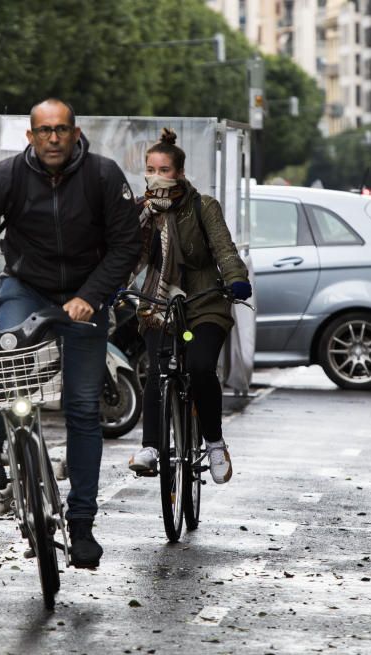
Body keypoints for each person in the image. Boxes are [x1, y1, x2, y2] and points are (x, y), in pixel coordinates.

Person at [0, 98, 140, 568]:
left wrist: (91, 296)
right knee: (2, 363)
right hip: (26, 285)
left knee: (81, 407)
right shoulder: (8, 176)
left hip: (83, 296)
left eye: (62, 130)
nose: (53, 138)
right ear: (30, 137)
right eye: (44, 131)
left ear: (76, 133)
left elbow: (126, 246)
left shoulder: (103, 175)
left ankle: (81, 525)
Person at [126, 129, 251, 484]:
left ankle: (213, 442)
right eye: (150, 168)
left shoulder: (202, 206)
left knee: (199, 366)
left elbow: (224, 248)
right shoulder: (142, 212)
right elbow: (124, 256)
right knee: (157, 369)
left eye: (164, 169)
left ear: (179, 173)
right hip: (159, 301)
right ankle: (151, 447)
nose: (156, 175)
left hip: (204, 299)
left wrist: (235, 278)